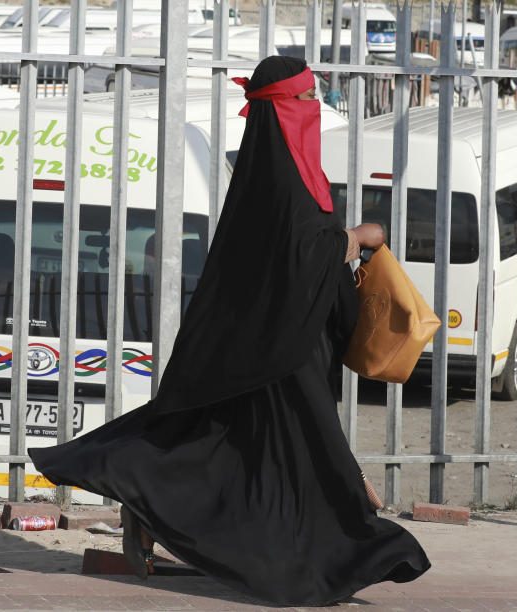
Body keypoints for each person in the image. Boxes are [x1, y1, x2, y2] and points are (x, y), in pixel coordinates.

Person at [28, 56, 431, 607]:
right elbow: (303, 257)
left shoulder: (283, 168)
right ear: (281, 111)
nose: (313, 108)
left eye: (314, 97)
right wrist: (359, 237)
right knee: (314, 462)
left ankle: (151, 506)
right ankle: (357, 555)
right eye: (303, 100)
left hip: (288, 341)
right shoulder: (282, 174)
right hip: (283, 350)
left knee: (241, 455)